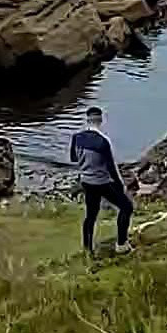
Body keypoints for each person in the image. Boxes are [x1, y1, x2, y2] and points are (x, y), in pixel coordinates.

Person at [70, 106, 133, 254]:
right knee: (126, 208)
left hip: (86, 181)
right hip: (102, 182)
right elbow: (111, 168)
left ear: (87, 119)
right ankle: (121, 244)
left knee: (91, 215)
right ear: (100, 120)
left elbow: (73, 158)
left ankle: (87, 248)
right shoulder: (102, 142)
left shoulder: (76, 137)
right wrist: (120, 185)